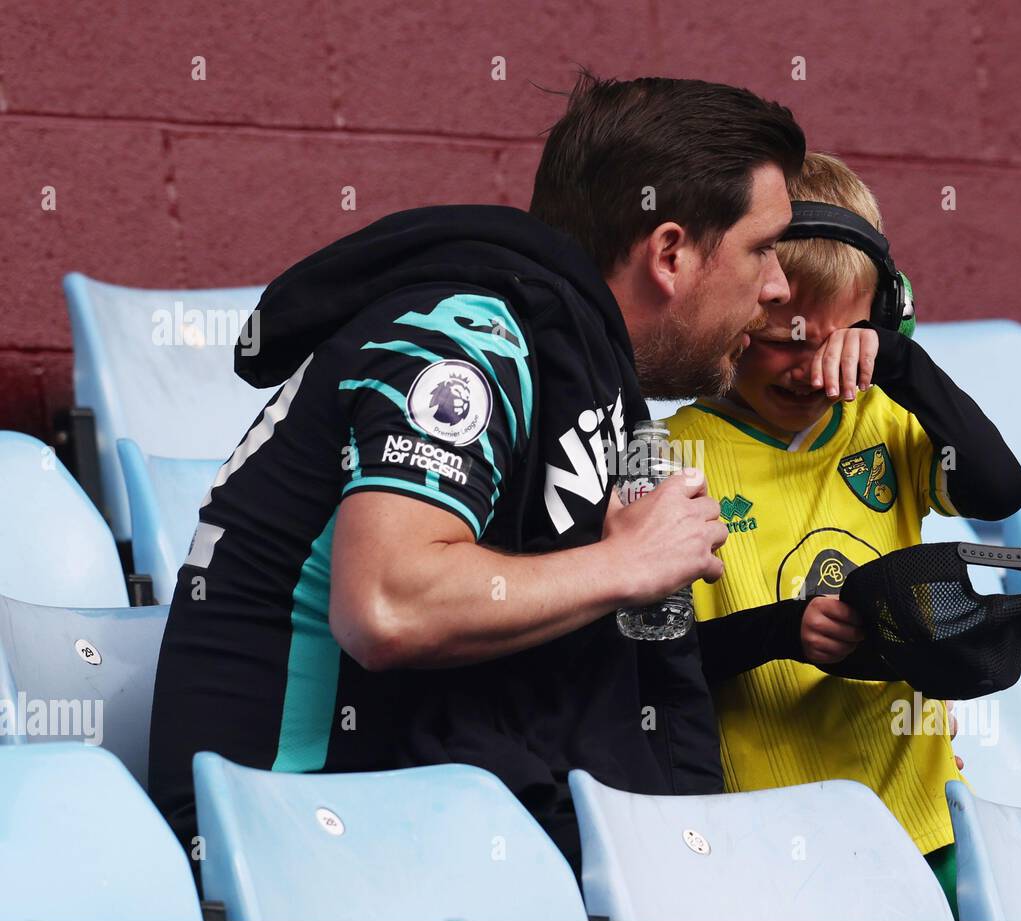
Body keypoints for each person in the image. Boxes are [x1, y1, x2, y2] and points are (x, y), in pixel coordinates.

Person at [147, 73, 808, 876]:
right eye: (763, 248)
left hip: (401, 819)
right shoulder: (464, 339)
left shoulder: (585, 375)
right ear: (669, 253)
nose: (778, 287)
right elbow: (386, 603)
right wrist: (623, 564)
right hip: (282, 823)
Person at [667, 153, 1021, 914]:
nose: (812, 370)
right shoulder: (672, 454)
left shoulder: (887, 419)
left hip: (924, 815)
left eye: (845, 337)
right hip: (769, 830)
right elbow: (663, 661)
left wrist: (903, 364)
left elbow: (1001, 491)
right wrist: (781, 631)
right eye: (784, 339)